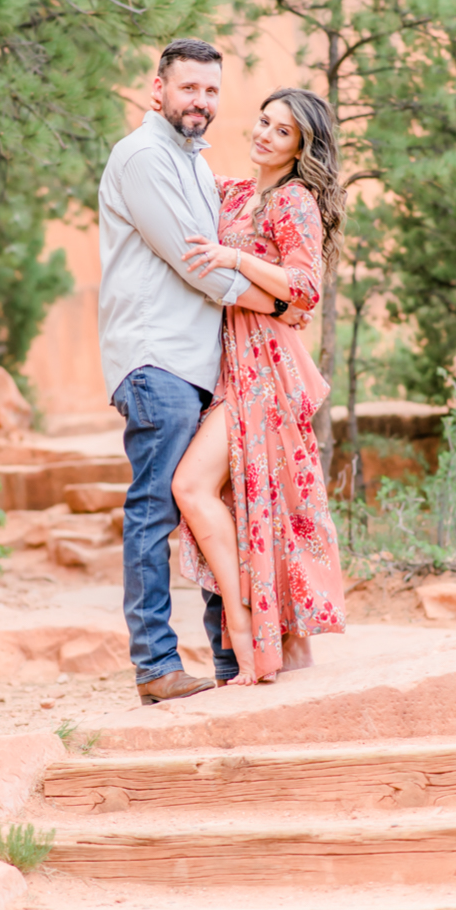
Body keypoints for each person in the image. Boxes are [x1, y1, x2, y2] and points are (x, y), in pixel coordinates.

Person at [97, 38, 310, 706]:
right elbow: (200, 267)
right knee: (157, 506)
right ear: (157, 88)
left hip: (202, 366)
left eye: (212, 91)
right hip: (157, 359)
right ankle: (157, 665)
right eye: (189, 89)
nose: (202, 103)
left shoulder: (196, 163)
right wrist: (278, 303)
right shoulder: (144, 156)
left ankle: (231, 653)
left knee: (214, 503)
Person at [174, 87, 349, 684]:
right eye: (264, 122)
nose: (264, 135)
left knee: (196, 486)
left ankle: (252, 637)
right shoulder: (242, 192)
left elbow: (304, 288)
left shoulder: (293, 199)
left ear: (301, 148)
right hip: (230, 363)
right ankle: (256, 644)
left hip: (266, 370)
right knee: (243, 504)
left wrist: (235, 260)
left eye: (281, 131)